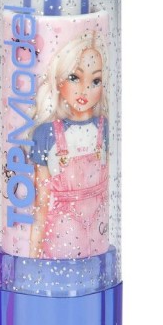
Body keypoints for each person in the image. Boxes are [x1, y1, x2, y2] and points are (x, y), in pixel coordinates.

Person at [29, 30, 109, 259]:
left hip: (99, 233)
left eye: (95, 81)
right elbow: (41, 205)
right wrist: (33, 259)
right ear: (60, 79)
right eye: (75, 77)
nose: (84, 89)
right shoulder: (46, 134)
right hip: (63, 236)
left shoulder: (104, 128)